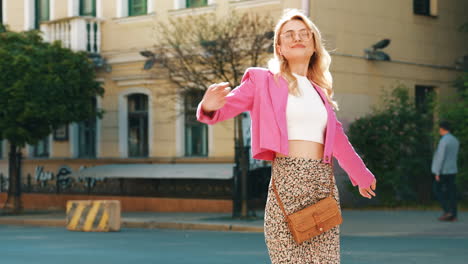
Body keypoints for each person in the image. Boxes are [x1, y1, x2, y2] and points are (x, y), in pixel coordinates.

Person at [196, 9, 376, 264]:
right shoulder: (263, 81)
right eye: (288, 34)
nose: (297, 38)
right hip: (286, 185)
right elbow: (227, 106)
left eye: (304, 34)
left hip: (322, 187)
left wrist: (360, 174)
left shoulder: (319, 92)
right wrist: (209, 105)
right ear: (279, 47)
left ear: (313, 45)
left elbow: (337, 137)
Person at [432, 120, 460, 222]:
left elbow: (441, 157)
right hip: (452, 169)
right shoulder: (455, 140)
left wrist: (437, 172)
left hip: (443, 170)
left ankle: (447, 211)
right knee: (451, 192)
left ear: (442, 129)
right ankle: (454, 214)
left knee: (437, 190)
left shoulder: (444, 141)